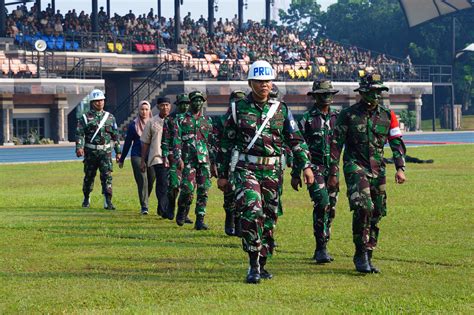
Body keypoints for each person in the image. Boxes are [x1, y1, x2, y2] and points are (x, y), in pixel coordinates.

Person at [217, 60, 314, 284]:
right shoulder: (236, 108)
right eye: (259, 82)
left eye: (268, 81)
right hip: (246, 169)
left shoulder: (281, 110)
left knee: (269, 218)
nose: (264, 85)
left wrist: (306, 166)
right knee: (252, 211)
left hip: (272, 171)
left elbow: (296, 140)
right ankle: (252, 265)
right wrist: (222, 174)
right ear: (251, 83)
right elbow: (225, 143)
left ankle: (262, 262)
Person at [328, 74, 407, 273]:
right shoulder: (348, 114)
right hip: (355, 166)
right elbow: (336, 145)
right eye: (372, 91)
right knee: (364, 206)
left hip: (378, 169)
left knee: (377, 211)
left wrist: (400, 167)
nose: (376, 95)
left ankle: (369, 251)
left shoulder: (388, 116)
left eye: (379, 91)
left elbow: (396, 142)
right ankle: (360, 253)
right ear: (362, 93)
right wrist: (333, 173)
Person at [292, 80, 340, 264]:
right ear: (315, 96)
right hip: (314, 169)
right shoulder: (306, 120)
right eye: (321, 94)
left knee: (331, 208)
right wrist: (296, 174)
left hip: (333, 170)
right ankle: (321, 247)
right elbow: (298, 147)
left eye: (328, 94)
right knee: (322, 203)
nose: (325, 97)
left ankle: (324, 243)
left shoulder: (338, 118)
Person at [173, 91, 214, 230]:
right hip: (188, 159)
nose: (198, 103)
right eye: (195, 100)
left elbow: (211, 143)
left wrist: (213, 163)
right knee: (187, 189)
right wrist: (178, 158)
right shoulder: (181, 119)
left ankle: (200, 219)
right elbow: (177, 140)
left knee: (203, 190)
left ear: (203, 102)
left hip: (204, 160)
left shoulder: (207, 120)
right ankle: (182, 209)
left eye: (200, 100)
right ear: (190, 102)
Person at [76, 89, 121, 210]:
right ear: (92, 102)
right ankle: (86, 197)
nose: (99, 103)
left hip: (105, 153)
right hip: (91, 152)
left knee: (107, 176)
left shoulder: (110, 117)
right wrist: (79, 147)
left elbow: (115, 136)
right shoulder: (85, 118)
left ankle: (108, 200)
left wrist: (118, 152)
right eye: (96, 101)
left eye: (101, 100)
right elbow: (80, 134)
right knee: (89, 176)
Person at [213, 90, 246, 236]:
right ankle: (229, 219)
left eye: (240, 100)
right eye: (235, 100)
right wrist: (215, 162)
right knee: (228, 191)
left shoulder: (246, 118)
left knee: (241, 191)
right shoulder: (222, 120)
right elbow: (216, 142)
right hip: (226, 159)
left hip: (242, 159)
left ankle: (239, 223)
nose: (237, 103)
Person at [118, 100, 155, 215]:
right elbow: (128, 143)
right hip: (137, 156)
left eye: (146, 109)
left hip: (152, 156)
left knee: (151, 179)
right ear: (138, 111)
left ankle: (145, 199)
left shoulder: (155, 124)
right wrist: (122, 158)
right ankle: (144, 206)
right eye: (142, 109)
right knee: (142, 180)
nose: (144, 112)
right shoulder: (133, 126)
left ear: (149, 111)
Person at [140, 97, 171, 219]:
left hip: (173, 158)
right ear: (158, 107)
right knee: (162, 183)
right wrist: (143, 160)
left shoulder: (175, 121)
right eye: (162, 105)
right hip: (158, 158)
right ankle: (164, 210)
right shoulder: (152, 122)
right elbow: (145, 142)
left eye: (167, 105)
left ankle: (164, 206)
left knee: (173, 185)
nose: (165, 107)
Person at [165, 93, 192, 223]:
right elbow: (165, 140)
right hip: (173, 157)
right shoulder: (170, 119)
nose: (185, 106)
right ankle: (171, 205)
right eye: (182, 103)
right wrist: (166, 156)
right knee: (174, 185)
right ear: (178, 104)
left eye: (187, 103)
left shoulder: (192, 119)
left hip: (190, 157)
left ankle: (185, 213)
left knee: (189, 188)